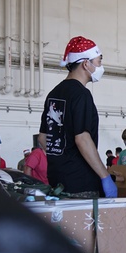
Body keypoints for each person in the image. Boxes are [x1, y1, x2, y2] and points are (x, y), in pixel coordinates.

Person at [39, 36, 117, 197]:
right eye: (98, 61)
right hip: (81, 184)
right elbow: (82, 139)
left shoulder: (54, 93)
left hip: (56, 182)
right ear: (85, 63)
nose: (100, 67)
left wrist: (62, 160)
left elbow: (42, 137)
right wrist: (105, 176)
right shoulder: (81, 95)